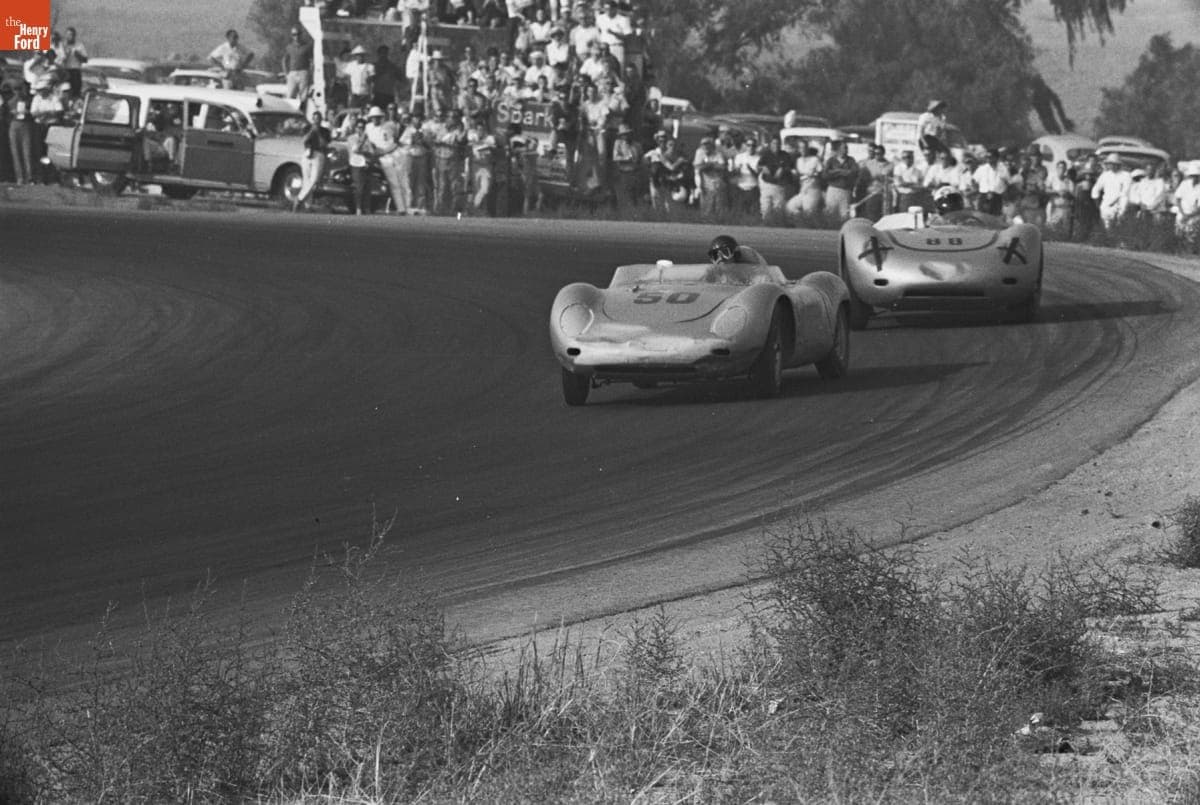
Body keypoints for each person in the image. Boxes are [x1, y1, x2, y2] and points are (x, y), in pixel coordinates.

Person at [365, 105, 406, 213]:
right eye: (373, 117)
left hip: (386, 156)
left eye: (377, 117)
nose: (375, 119)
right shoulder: (368, 127)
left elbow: (394, 143)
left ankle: (401, 208)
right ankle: (367, 207)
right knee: (369, 182)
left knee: (394, 183)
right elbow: (367, 141)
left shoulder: (388, 126)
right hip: (372, 157)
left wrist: (383, 151)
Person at [294, 109, 331, 211]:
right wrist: (312, 131)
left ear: (321, 120)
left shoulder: (325, 131)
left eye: (318, 119)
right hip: (307, 153)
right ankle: (307, 206)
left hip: (319, 154)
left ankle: (299, 198)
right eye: (314, 119)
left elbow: (324, 144)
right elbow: (304, 140)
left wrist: (318, 132)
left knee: (314, 179)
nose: (316, 121)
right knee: (307, 180)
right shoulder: (307, 128)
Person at [822, 138, 858, 221]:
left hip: (846, 190)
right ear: (838, 149)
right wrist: (839, 172)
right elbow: (825, 175)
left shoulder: (851, 160)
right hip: (833, 189)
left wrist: (837, 172)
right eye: (844, 148)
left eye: (846, 148)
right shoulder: (831, 160)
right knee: (830, 211)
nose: (846, 150)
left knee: (844, 214)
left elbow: (853, 172)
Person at [1092, 153, 1131, 229]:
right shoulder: (1105, 175)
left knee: (1118, 227)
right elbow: (1095, 190)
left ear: (1118, 164)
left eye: (1114, 164)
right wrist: (1099, 205)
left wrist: (1119, 206)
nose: (1112, 166)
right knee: (1107, 229)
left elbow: (1125, 192)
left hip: (1120, 205)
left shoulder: (1126, 175)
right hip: (1106, 206)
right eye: (1110, 164)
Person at [345, 115, 375, 214]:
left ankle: (367, 208)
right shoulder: (351, 138)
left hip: (366, 164)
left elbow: (371, 151)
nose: (360, 129)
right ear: (356, 128)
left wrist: (365, 150)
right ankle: (358, 208)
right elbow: (355, 150)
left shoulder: (367, 139)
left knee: (367, 188)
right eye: (359, 127)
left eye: (362, 127)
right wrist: (362, 142)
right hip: (356, 164)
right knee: (359, 187)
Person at [1172, 161, 1200, 251]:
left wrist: (1189, 216)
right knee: (1179, 229)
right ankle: (1179, 249)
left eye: (1196, 176)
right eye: (1193, 176)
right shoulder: (1184, 184)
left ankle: (1189, 249)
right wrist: (1183, 213)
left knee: (1191, 229)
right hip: (1182, 211)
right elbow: (1178, 199)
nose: (1194, 178)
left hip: (1194, 214)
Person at [54, 27, 88, 100]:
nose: (70, 37)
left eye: (72, 35)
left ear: (74, 36)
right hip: (64, 71)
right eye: (68, 35)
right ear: (66, 35)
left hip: (75, 71)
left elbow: (85, 60)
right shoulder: (62, 45)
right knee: (64, 91)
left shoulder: (79, 45)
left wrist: (78, 55)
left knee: (75, 92)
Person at [972, 149, 1008, 216]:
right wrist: (977, 191)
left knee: (995, 218)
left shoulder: (1003, 168)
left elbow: (1007, 182)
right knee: (982, 217)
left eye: (991, 157)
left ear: (997, 158)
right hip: (984, 196)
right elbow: (973, 180)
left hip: (997, 197)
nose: (989, 159)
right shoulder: (982, 168)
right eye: (988, 157)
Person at [282, 26, 314, 103]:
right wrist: (286, 74)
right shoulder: (289, 47)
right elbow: (284, 60)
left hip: (303, 72)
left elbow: (312, 62)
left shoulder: (307, 46)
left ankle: (301, 113)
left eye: (298, 34)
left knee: (303, 97)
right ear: (292, 35)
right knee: (290, 96)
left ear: (301, 34)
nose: (296, 36)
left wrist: (310, 74)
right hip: (292, 73)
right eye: (294, 34)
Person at [343, 45, 375, 110]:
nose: (360, 57)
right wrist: (350, 93)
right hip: (354, 95)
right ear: (355, 56)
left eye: (361, 55)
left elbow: (372, 82)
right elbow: (348, 80)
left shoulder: (370, 67)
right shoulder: (351, 66)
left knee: (366, 111)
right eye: (358, 55)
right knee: (353, 111)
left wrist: (371, 94)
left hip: (365, 94)